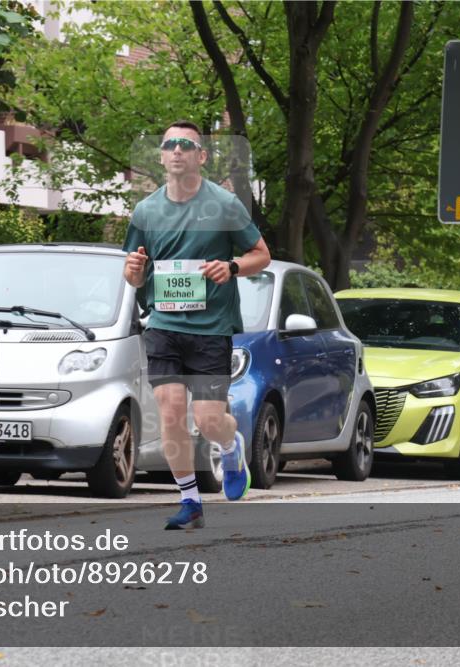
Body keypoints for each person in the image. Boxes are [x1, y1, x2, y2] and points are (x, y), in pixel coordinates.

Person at [123, 120, 271, 529]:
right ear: (161, 155)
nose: (176, 151)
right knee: (170, 413)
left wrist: (233, 266)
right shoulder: (147, 210)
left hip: (211, 329)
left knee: (207, 420)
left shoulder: (224, 204)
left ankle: (230, 443)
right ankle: (190, 501)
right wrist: (133, 270)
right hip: (165, 326)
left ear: (201, 156)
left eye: (185, 145)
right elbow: (134, 275)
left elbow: (262, 254)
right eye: (169, 145)